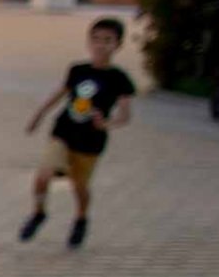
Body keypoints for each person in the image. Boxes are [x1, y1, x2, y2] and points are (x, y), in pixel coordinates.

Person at [21, 17, 135, 250]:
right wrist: (39, 114)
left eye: (107, 41)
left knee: (79, 186)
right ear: (88, 42)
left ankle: (81, 218)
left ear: (118, 45)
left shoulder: (119, 79)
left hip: (90, 140)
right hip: (63, 131)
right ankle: (39, 212)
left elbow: (125, 116)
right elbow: (60, 94)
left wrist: (106, 124)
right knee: (43, 175)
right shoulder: (78, 70)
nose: (101, 45)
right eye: (96, 40)